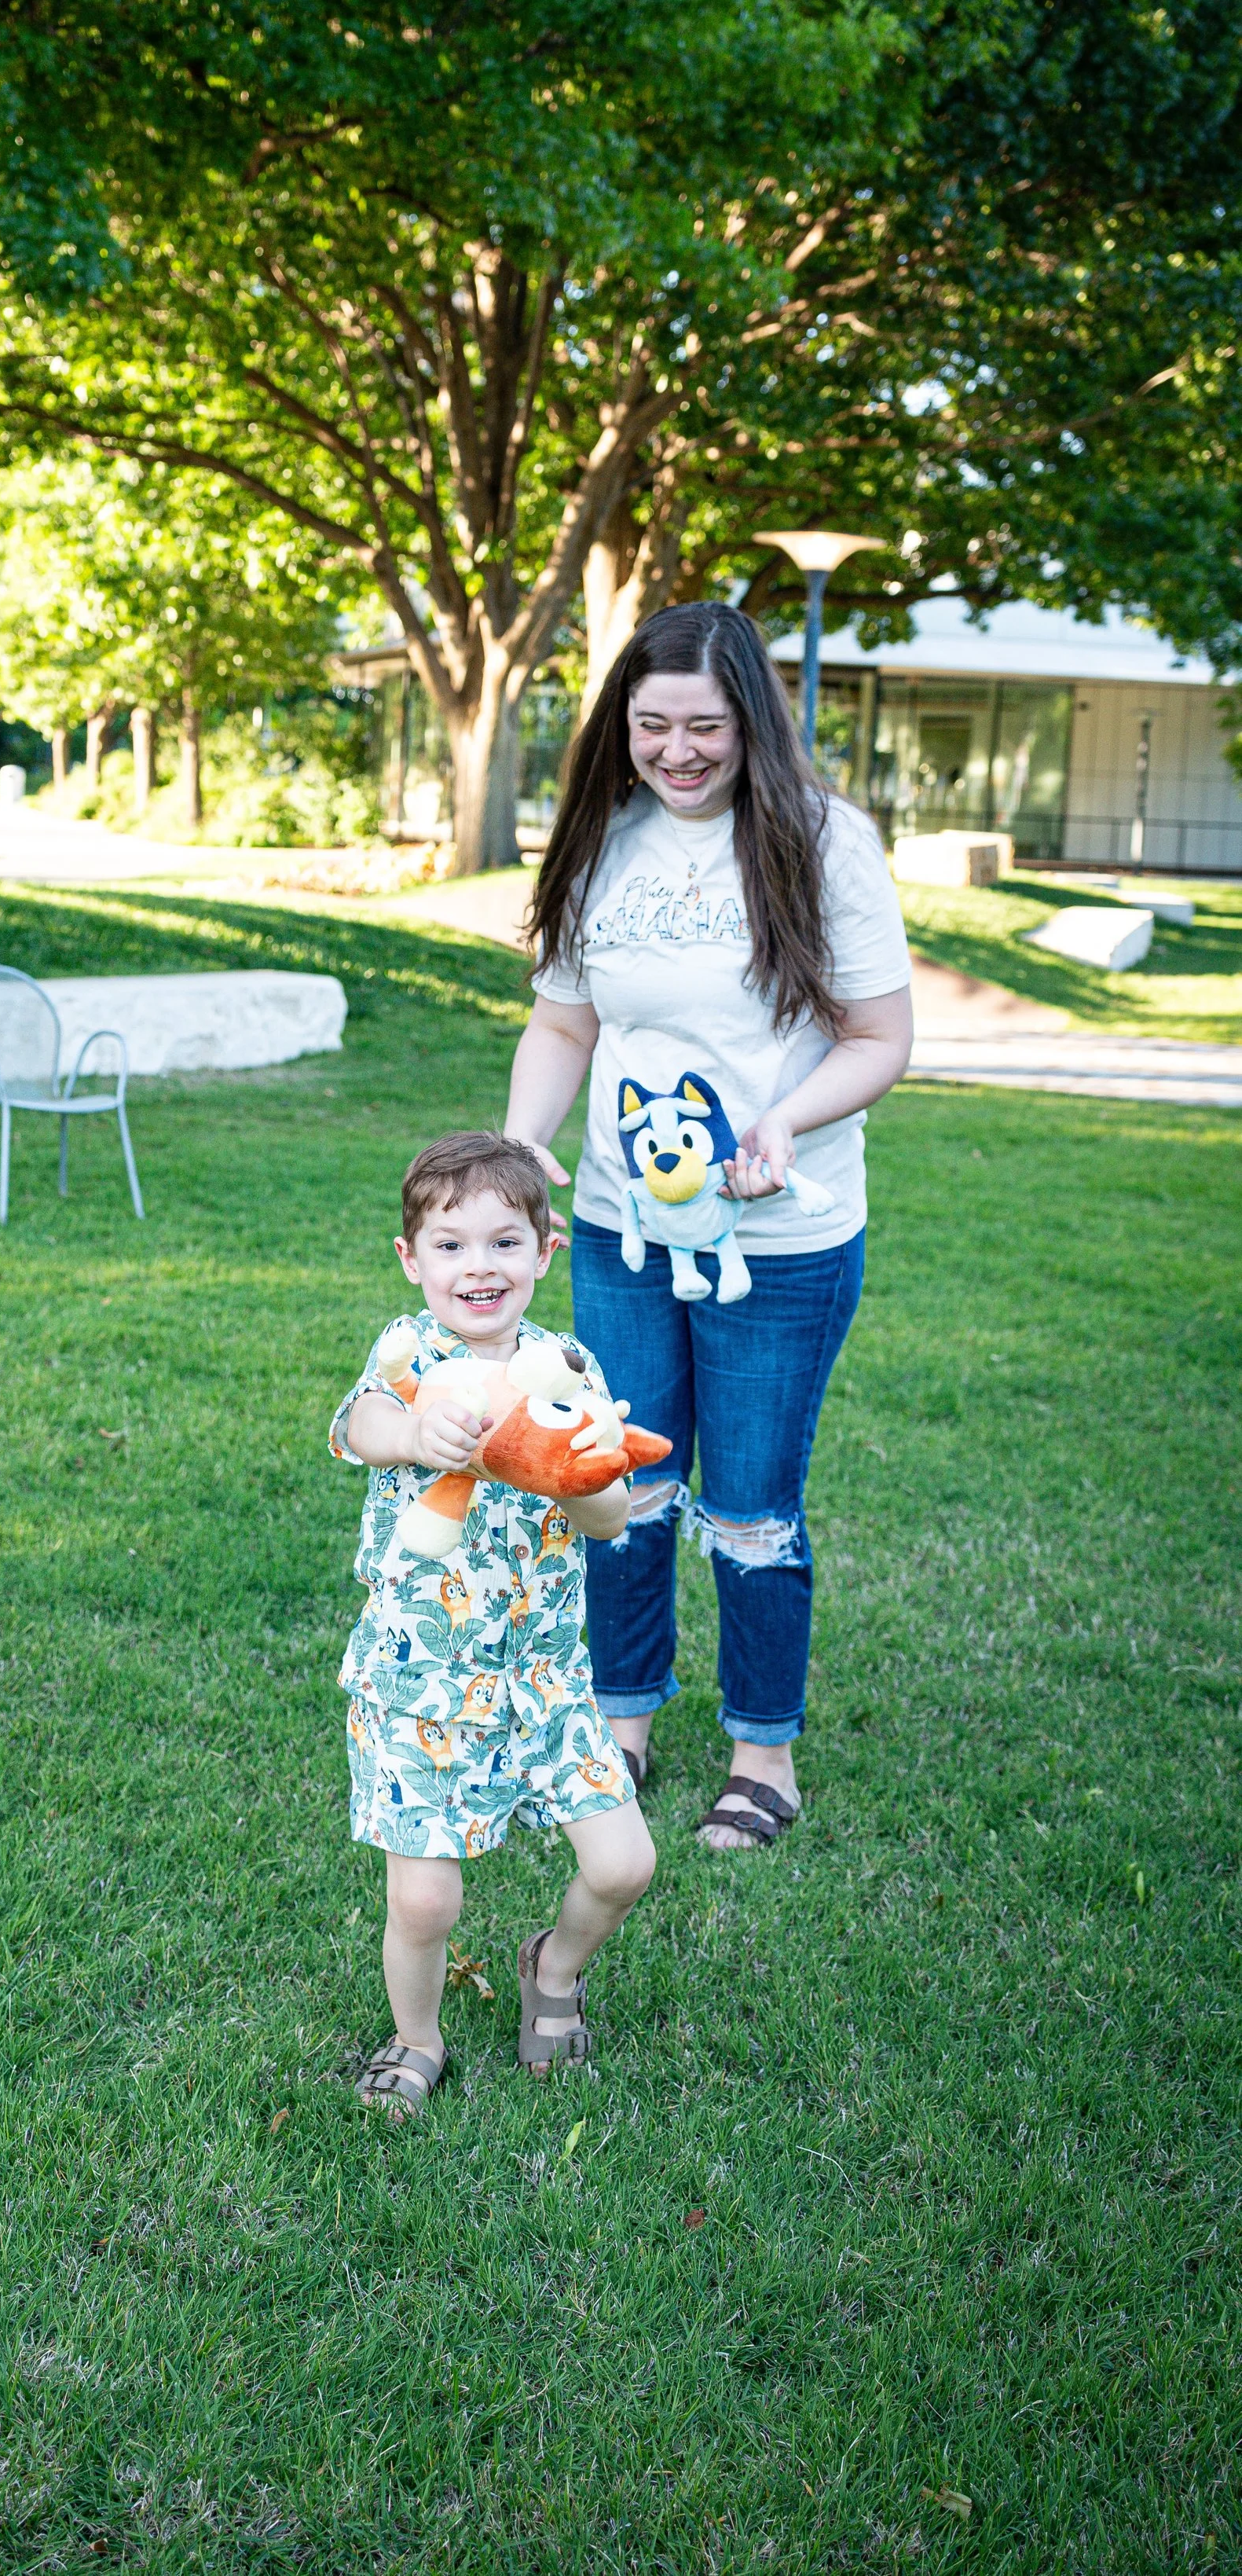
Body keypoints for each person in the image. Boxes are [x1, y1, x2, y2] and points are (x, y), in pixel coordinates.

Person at [504, 600, 913, 1848]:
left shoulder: (821, 839)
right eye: (651, 726)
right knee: (621, 1484)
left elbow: (881, 1037)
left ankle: (761, 1753)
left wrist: (785, 1121)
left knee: (749, 1502)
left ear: (752, 721)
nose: (678, 751)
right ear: (619, 728)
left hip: (778, 1240)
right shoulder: (598, 840)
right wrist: (527, 1140)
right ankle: (619, 1732)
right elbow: (566, 1022)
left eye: (705, 726)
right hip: (627, 1233)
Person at [331, 1132, 656, 2112]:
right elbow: (356, 1428)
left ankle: (550, 1970)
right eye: (451, 1244)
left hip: (543, 1677)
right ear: (412, 1259)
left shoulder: (566, 1365)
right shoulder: (407, 1354)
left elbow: (607, 1517)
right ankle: (416, 2038)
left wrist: (576, 1477)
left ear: (545, 1249)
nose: (480, 1266)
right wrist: (419, 1436)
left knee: (624, 1864)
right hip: (421, 1676)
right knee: (425, 1898)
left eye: (505, 1243)